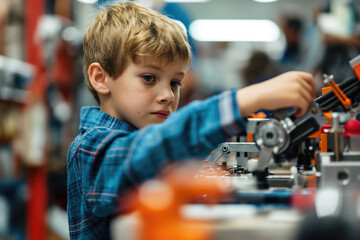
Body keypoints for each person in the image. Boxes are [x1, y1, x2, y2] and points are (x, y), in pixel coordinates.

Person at [67, 2, 316, 239]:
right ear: (101, 78)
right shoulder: (91, 147)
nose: (167, 96)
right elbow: (146, 152)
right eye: (149, 78)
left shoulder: (141, 133)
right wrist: (242, 101)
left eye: (175, 83)